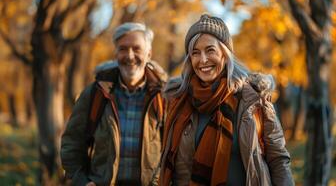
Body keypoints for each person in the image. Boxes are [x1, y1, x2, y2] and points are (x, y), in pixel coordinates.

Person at [160, 14, 294, 186]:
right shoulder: (178, 101)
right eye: (195, 53)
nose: (203, 60)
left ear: (225, 53)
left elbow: (278, 159)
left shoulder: (254, 99)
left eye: (210, 50)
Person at [61, 22, 167, 186]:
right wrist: (82, 181)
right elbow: (72, 142)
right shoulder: (95, 94)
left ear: (149, 54)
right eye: (123, 49)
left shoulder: (164, 96)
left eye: (136, 48)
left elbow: (176, 151)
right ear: (116, 53)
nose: (130, 55)